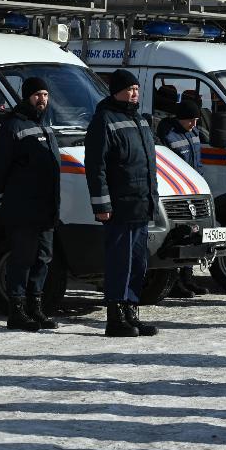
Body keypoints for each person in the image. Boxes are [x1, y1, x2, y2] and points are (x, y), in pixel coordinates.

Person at [85, 68, 159, 338]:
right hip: (119, 205)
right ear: (116, 91)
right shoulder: (104, 120)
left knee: (138, 262)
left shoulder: (139, 120)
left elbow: (147, 164)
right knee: (120, 262)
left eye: (137, 89)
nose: (135, 93)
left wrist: (153, 197)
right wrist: (102, 205)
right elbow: (96, 166)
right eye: (130, 89)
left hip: (140, 204)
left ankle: (131, 311)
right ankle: (115, 317)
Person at [0, 77, 62, 331]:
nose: (42, 99)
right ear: (27, 97)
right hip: (22, 208)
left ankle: (35, 307)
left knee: (43, 258)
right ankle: (16, 310)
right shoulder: (13, 126)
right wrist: (4, 198)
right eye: (37, 95)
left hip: (46, 207)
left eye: (45, 95)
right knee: (22, 259)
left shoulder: (45, 126)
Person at [156, 99, 209, 298]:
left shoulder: (193, 132)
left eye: (196, 120)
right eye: (191, 121)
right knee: (179, 237)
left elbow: (198, 161)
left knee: (194, 236)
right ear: (180, 119)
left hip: (195, 188)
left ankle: (188, 278)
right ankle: (175, 281)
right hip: (178, 192)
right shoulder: (169, 135)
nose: (194, 125)